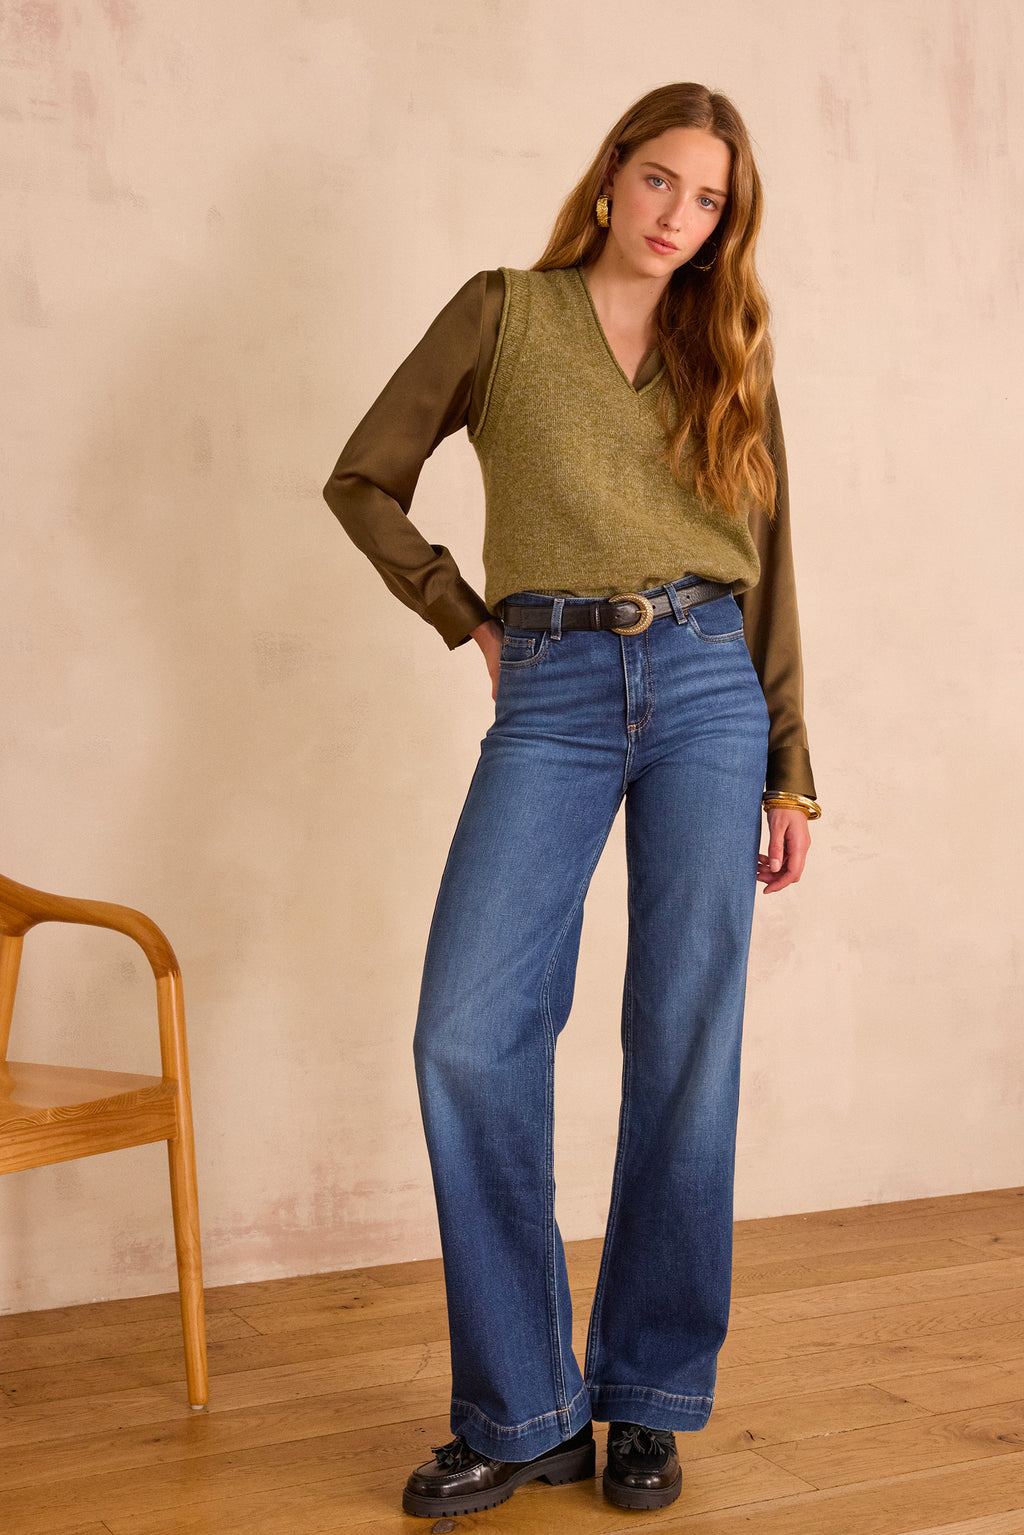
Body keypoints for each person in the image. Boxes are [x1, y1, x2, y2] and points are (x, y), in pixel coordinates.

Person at [323, 81, 819, 1519]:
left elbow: (773, 569)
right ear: (612, 175)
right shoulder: (504, 313)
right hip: (548, 685)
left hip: (711, 688)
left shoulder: (728, 347)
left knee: (685, 1042)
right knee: (468, 1033)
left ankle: (648, 1397)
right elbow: (363, 480)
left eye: (710, 201)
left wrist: (793, 766)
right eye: (662, 181)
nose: (679, 217)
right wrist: (464, 617)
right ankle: (525, 1410)